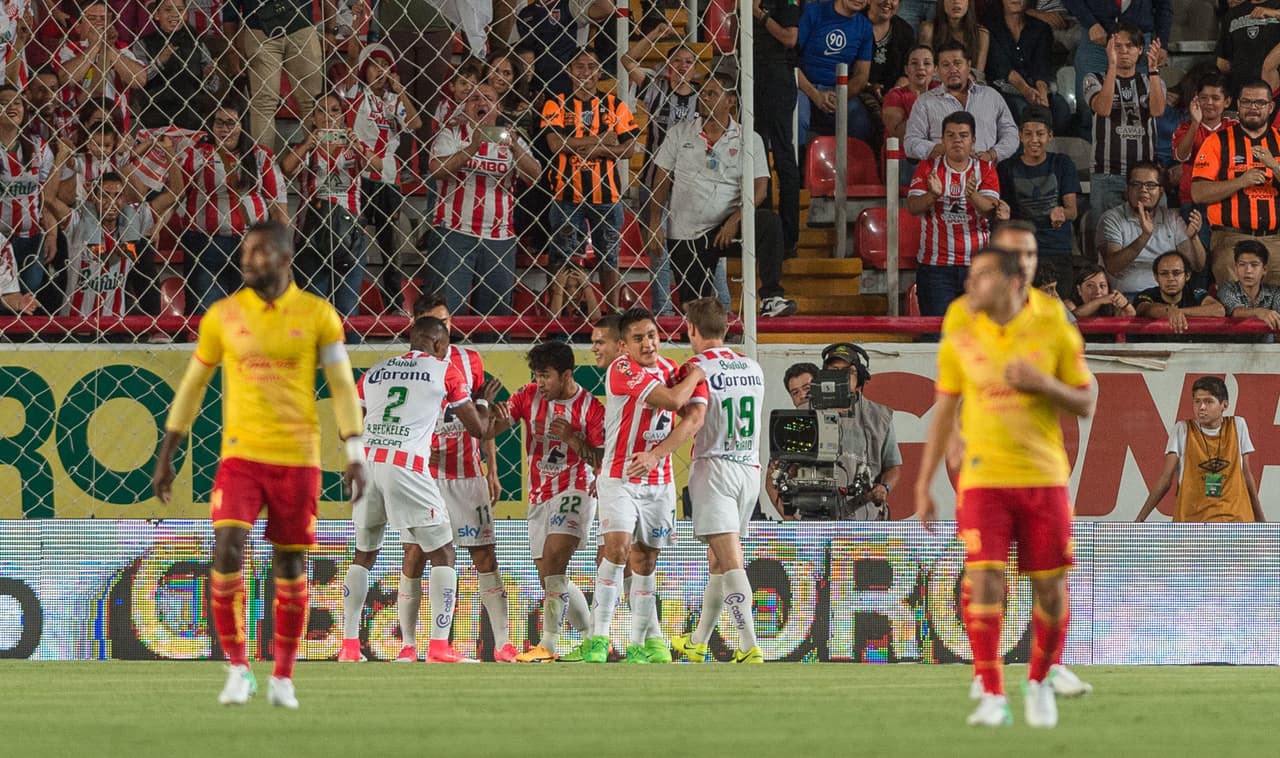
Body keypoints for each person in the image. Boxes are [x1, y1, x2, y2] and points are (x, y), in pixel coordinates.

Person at [152, 220, 366, 708]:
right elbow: (192, 385)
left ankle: (283, 676)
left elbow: (340, 385)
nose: (247, 259)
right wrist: (169, 451)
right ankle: (238, 667)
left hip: (298, 458)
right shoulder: (223, 316)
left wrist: (353, 452)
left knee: (289, 564)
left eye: (260, 252)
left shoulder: (318, 316)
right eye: (246, 251)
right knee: (226, 548)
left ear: (286, 258)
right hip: (241, 455)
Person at [916, 245, 1096, 728]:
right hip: (983, 477)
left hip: (1042, 476)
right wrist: (924, 481)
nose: (969, 285)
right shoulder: (962, 331)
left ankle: (1040, 680)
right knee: (984, 578)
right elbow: (945, 407)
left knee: (1051, 588)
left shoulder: (1052, 324)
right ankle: (991, 689)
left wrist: (1042, 383)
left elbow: (1085, 400)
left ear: (1013, 281)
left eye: (981, 277)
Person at [338, 317, 498, 664]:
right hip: (405, 465)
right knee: (442, 552)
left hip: (367, 463)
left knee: (364, 553)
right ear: (440, 345)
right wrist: (482, 401)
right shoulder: (446, 371)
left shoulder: (375, 372)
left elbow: (344, 428)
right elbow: (480, 430)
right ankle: (439, 645)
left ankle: (349, 645)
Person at [581, 307, 707, 664]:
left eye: (652, 335)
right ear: (623, 345)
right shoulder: (622, 369)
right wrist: (697, 371)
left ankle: (640, 643)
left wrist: (656, 455)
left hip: (659, 481)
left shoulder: (671, 370)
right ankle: (599, 638)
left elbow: (694, 419)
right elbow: (673, 401)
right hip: (619, 477)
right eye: (638, 338)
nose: (648, 343)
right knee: (617, 550)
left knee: (646, 559)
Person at [412, 292, 518, 663]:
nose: (444, 329)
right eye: (435, 322)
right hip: (425, 478)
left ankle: (503, 643)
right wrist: (421, 451)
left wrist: (491, 468)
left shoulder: (469, 360)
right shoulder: (408, 366)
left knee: (484, 556)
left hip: (468, 474)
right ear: (420, 327)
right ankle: (412, 645)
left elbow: (482, 419)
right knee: (416, 557)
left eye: (447, 321)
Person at [486, 341, 604, 663]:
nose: (540, 383)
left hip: (576, 489)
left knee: (554, 562)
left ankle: (548, 646)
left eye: (546, 376)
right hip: (539, 494)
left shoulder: (591, 408)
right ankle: (592, 636)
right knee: (549, 575)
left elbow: (601, 458)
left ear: (566, 375)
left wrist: (573, 440)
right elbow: (493, 428)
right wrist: (489, 411)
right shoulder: (527, 396)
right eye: (536, 376)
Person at [648, 74, 797, 318]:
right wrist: (655, 222)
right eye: (702, 93)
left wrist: (735, 219)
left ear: (729, 101)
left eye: (711, 94)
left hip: (726, 228)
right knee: (693, 310)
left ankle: (771, 296)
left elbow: (760, 187)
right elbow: (661, 179)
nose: (703, 98)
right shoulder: (680, 133)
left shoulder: (749, 138)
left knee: (769, 223)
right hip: (685, 231)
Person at [667, 297, 764, 664]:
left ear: (691, 329)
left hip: (715, 467)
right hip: (749, 470)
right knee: (718, 562)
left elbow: (688, 412)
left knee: (732, 561)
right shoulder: (752, 367)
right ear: (725, 328)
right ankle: (698, 642)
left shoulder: (694, 367)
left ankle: (748, 644)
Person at [429, 82, 540, 317]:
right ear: (465, 106)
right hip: (455, 232)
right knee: (450, 313)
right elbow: (437, 170)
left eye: (487, 98)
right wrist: (473, 147)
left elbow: (536, 176)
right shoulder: (452, 133)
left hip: (500, 238)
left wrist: (515, 149)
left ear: (497, 107)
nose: (481, 103)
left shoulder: (511, 138)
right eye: (473, 98)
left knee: (495, 317)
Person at [541, 48, 639, 311]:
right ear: (569, 71)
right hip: (566, 194)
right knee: (564, 258)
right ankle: (561, 314)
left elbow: (629, 149)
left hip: (607, 196)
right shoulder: (556, 102)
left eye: (592, 67)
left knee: (609, 259)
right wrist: (602, 141)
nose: (586, 72)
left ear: (599, 71)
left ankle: (612, 313)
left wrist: (591, 149)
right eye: (580, 67)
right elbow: (554, 144)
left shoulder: (615, 105)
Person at [177, 99, 288, 313]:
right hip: (205, 243)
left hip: (251, 245)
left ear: (242, 125)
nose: (224, 129)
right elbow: (176, 193)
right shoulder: (196, 154)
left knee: (251, 314)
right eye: (219, 123)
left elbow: (278, 209)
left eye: (231, 123)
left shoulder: (261, 156)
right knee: (206, 312)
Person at [278, 93, 376, 320]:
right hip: (311, 235)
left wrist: (358, 146)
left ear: (342, 116)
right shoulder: (306, 148)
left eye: (334, 110)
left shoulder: (353, 146)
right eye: (321, 111)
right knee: (313, 312)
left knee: (347, 311)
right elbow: (286, 168)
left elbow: (378, 168)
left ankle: (347, 353)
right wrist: (308, 143)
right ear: (312, 118)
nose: (328, 116)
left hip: (349, 237)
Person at [348, 43, 423, 314]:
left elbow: (415, 123)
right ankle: (348, 297)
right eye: (373, 66)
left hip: (388, 176)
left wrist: (400, 89)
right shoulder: (356, 93)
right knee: (352, 238)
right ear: (363, 70)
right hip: (358, 174)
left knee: (391, 244)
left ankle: (394, 302)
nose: (379, 71)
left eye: (385, 67)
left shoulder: (393, 101)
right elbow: (351, 60)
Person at [624, 39, 697, 317]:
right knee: (659, 253)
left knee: (691, 250)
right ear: (667, 67)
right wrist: (654, 33)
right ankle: (663, 313)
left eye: (688, 62)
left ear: (694, 68)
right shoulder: (656, 90)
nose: (682, 66)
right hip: (654, 181)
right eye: (676, 61)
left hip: (690, 184)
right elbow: (627, 60)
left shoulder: (703, 97)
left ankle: (699, 310)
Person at [906, 110, 1000, 316]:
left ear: (973, 140)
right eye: (951, 135)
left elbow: (992, 211)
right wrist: (933, 195)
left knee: (977, 334)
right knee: (936, 334)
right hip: (935, 268)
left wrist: (972, 195)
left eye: (963, 135)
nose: (957, 140)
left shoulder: (985, 168)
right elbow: (912, 207)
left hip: (977, 268)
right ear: (943, 139)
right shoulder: (928, 166)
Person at [1134, 377, 1265, 523]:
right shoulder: (1182, 429)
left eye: (1209, 401)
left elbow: (1246, 475)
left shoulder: (1238, 425)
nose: (1201, 407)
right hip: (1191, 523)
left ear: (1224, 405)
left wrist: (1261, 520)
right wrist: (1140, 519)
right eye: (1197, 401)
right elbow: (1166, 479)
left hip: (1235, 522)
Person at [1191, 79, 1280, 286]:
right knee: (1236, 307)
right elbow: (1198, 193)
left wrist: (1273, 165)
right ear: (1237, 105)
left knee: (1276, 311)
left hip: (1276, 241)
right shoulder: (1216, 141)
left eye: (1259, 103)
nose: (1253, 108)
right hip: (1230, 240)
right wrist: (1241, 181)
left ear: (1271, 107)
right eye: (1247, 102)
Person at [1083, 24, 1166, 233]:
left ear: (1140, 50)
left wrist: (1154, 69)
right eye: (1117, 46)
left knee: (1148, 236)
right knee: (1105, 240)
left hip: (1144, 176)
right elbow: (1102, 108)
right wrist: (1112, 67)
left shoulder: (1150, 81)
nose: (1123, 51)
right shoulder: (1093, 78)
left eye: (1129, 46)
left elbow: (1157, 110)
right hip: (1107, 172)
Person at [997, 106, 1080, 299]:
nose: (1034, 140)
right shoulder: (1007, 167)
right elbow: (1004, 213)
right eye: (1028, 134)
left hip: (1056, 250)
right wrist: (1003, 215)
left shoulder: (1062, 163)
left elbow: (1072, 210)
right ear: (1020, 135)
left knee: (1059, 310)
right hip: (1021, 252)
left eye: (1040, 134)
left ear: (1050, 136)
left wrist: (1062, 213)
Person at [221, 0, 324, 152]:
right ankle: (262, 166)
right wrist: (231, 47)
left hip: (301, 24)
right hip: (260, 27)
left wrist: (331, 28)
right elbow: (230, 6)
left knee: (313, 101)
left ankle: (319, 162)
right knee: (264, 103)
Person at [1098, 161, 1204, 297]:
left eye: (1150, 185)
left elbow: (1197, 266)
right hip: (1128, 297)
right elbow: (1113, 266)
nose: (1143, 190)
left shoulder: (1172, 218)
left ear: (1160, 191)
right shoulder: (1111, 218)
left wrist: (1194, 238)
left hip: (1167, 297)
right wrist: (1144, 236)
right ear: (1127, 189)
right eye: (1136, 184)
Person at [1065, 0, 1171, 133]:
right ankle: (1089, 150)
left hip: (1138, 38)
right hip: (1096, 38)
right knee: (1089, 110)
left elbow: (1164, 6)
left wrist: (1162, 41)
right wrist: (1090, 23)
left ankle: (1140, 151)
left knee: (1143, 106)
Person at [903, 41, 1018, 163]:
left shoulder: (991, 97)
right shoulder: (925, 102)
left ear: (968, 65)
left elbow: (1011, 134)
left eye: (958, 63)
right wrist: (942, 150)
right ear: (937, 70)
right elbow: (911, 143)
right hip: (941, 177)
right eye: (946, 65)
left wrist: (992, 154)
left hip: (985, 175)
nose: (953, 69)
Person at [750, 0, 802, 256]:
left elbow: (790, 38)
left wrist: (758, 14)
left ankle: (789, 237)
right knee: (756, 157)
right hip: (751, 77)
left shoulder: (785, 3)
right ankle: (765, 232)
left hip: (778, 77)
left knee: (783, 156)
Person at [0, 85, 55, 304]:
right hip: (1, 240)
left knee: (29, 295)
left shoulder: (38, 147)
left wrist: (51, 234)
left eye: (17, 102)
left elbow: (46, 196)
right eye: (4, 102)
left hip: (32, 236)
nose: (12, 107)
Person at [985, 0, 1070, 136]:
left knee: (1061, 110)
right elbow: (1002, 66)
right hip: (1004, 88)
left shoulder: (1040, 27)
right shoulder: (990, 27)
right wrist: (1026, 90)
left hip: (1036, 87)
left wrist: (1042, 95)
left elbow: (1041, 66)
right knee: (1021, 111)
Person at [795, 0, 875, 143]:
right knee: (797, 114)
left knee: (860, 120)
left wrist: (839, 97)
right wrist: (815, 95)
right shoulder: (814, 12)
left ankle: (852, 165)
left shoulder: (865, 27)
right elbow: (791, 59)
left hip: (840, 91)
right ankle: (797, 163)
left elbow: (862, 75)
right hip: (804, 87)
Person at [131, 0, 219, 131]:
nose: (175, 14)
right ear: (156, 15)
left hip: (193, 121)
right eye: (168, 10)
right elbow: (138, 80)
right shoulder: (142, 45)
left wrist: (210, 77)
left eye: (180, 9)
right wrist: (160, 62)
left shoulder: (197, 44)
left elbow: (214, 87)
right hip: (155, 122)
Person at [1171, 73, 1233, 255]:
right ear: (1196, 100)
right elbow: (1181, 156)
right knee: (1199, 258)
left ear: (1227, 102)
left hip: (1227, 201)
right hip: (1192, 203)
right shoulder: (1184, 127)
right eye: (1204, 98)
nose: (1209, 103)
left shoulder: (1234, 127)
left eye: (1215, 98)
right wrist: (1195, 123)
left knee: (1224, 257)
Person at [56, 1, 148, 123]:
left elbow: (140, 80)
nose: (99, 23)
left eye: (103, 19)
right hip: (77, 123)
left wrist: (108, 47)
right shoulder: (68, 50)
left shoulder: (121, 48)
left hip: (116, 127)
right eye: (92, 18)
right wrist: (95, 46)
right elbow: (65, 78)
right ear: (78, 27)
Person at [764, 361, 821, 519]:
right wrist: (791, 521)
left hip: (850, 520)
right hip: (806, 519)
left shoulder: (842, 421)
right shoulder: (788, 430)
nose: (802, 396)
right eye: (795, 393)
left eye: (807, 388)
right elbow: (771, 483)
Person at [1134, 250, 1225, 333]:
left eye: (1176, 273)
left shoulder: (1194, 292)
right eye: (1164, 273)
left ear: (1187, 276)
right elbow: (1145, 309)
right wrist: (1169, 310)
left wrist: (1177, 312)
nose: (1170, 278)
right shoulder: (1147, 294)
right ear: (1156, 277)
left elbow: (1219, 310)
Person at [1215, 0, 1280, 96]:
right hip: (1239, 91)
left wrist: (1275, 13)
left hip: (1272, 90)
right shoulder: (1233, 14)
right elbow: (1222, 62)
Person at [1217, 240, 1280, 330]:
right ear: (1236, 268)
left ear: (1264, 269)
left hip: (1266, 344)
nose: (1248, 271)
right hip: (1231, 344)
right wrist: (1260, 312)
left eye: (1254, 265)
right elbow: (1236, 311)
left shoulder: (1275, 292)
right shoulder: (1226, 288)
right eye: (1242, 264)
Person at [883, 45, 936, 144]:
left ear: (935, 70)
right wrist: (922, 106)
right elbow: (900, 135)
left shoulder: (943, 92)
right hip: (904, 155)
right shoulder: (895, 96)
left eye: (927, 63)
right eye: (914, 63)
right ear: (906, 70)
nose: (920, 67)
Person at [919, 0, 988, 74]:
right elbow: (926, 69)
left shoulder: (981, 34)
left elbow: (978, 74)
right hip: (937, 81)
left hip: (969, 82)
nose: (956, 1)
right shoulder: (929, 29)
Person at [1066, 265, 1135, 318]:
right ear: (1079, 290)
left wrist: (1125, 304)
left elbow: (1131, 315)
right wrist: (1100, 301)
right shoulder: (1069, 304)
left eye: (1102, 285)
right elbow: (1072, 317)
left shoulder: (1112, 306)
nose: (1098, 291)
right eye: (1090, 285)